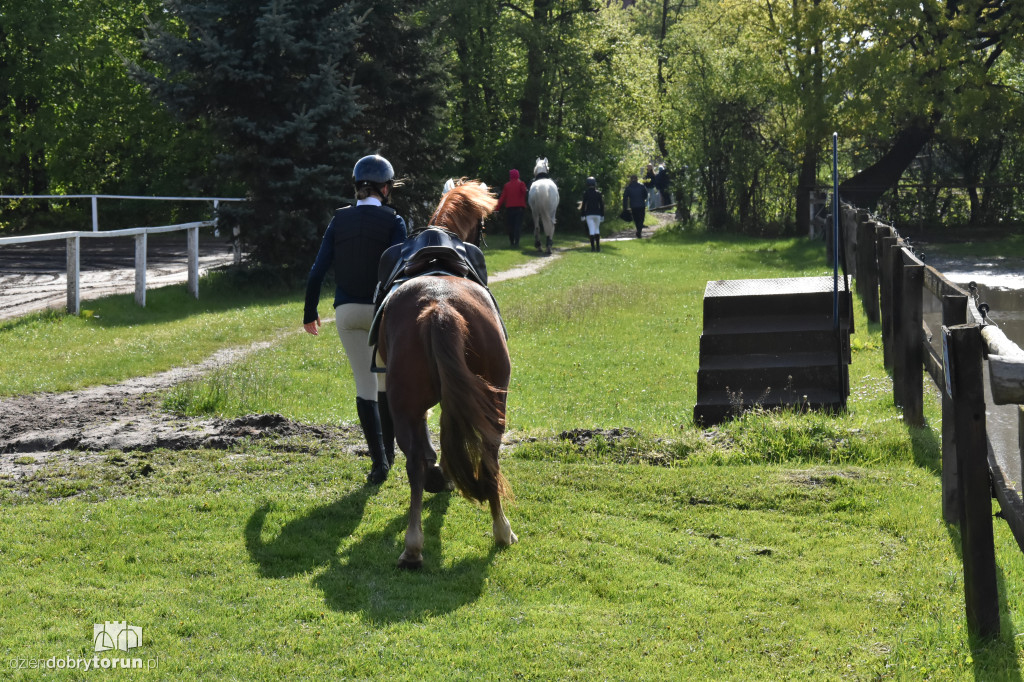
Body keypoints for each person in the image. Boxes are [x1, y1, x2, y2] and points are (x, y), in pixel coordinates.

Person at [303, 154, 407, 485]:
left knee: (364, 384)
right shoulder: (394, 221)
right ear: (385, 188)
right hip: (382, 310)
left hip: (346, 312)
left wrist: (309, 313)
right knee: (385, 382)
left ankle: (379, 464)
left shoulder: (339, 220)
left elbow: (317, 271)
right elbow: (399, 272)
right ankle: (390, 453)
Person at [495, 169, 528, 247]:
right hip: (519, 209)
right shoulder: (521, 184)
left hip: (509, 209)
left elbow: (502, 198)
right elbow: (525, 192)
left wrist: (496, 208)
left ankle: (511, 242)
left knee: (510, 226)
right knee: (517, 226)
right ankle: (516, 242)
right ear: (518, 175)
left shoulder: (507, 185)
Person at [580, 176, 605, 252]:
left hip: (589, 214)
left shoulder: (586, 193)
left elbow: (584, 205)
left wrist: (582, 214)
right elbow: (601, 205)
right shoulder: (598, 193)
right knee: (597, 229)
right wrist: (602, 215)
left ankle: (592, 248)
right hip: (597, 214)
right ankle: (598, 247)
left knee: (591, 230)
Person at [622, 174, 648, 238]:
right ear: (637, 179)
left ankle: (638, 230)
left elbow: (625, 198)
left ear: (631, 180)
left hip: (633, 206)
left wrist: (625, 208)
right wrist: (642, 199)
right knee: (641, 219)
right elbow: (646, 195)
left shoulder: (628, 188)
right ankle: (639, 231)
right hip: (641, 205)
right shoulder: (642, 186)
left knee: (636, 219)